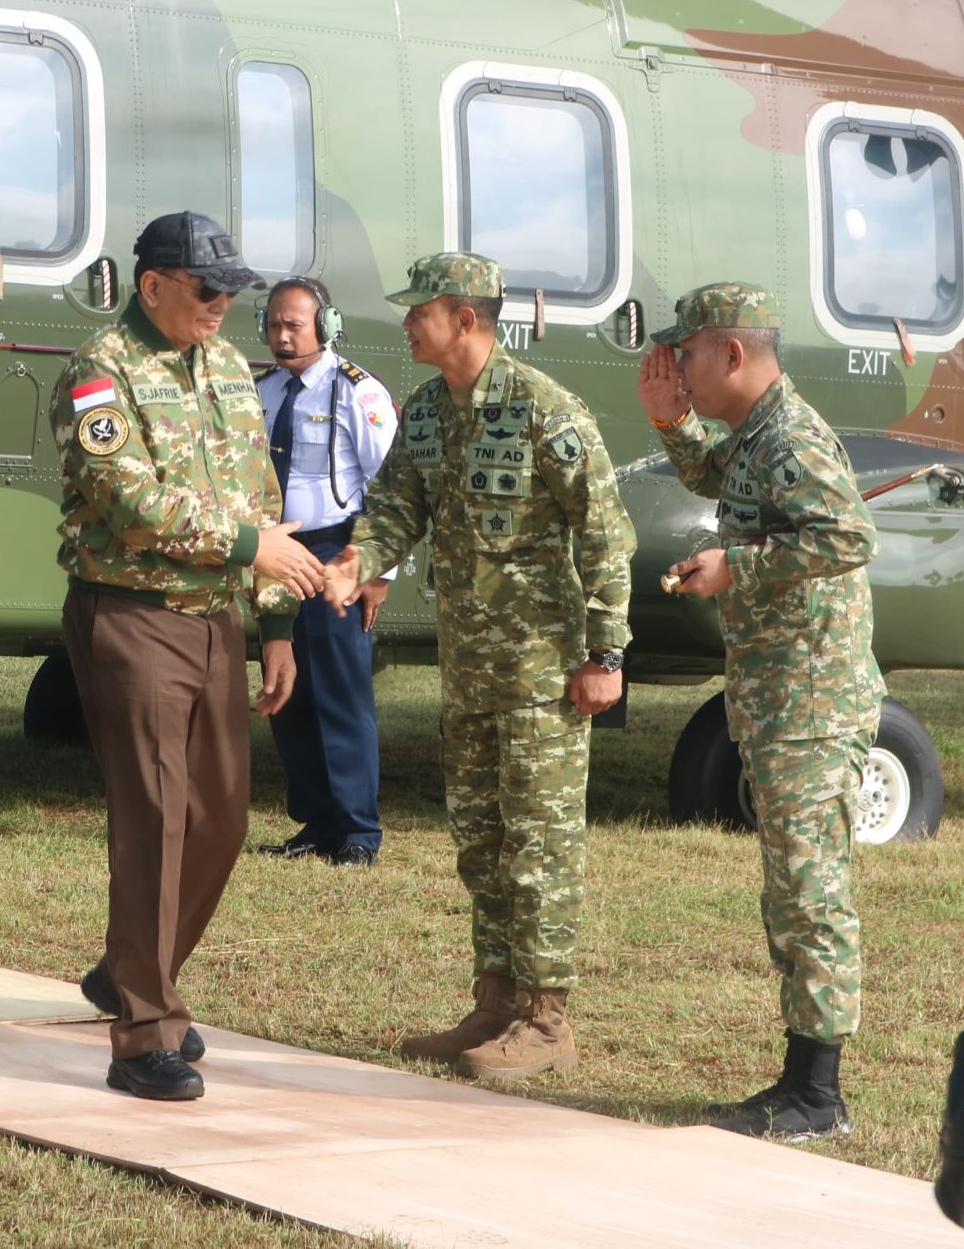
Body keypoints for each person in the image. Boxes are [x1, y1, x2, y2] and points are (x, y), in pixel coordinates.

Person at [322, 252, 634, 1081]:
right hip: (471, 673)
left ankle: (546, 1020)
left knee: (539, 846)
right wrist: (359, 563)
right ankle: (495, 1003)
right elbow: (394, 507)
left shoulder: (542, 408)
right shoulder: (426, 412)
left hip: (543, 674)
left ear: (466, 319)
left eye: (419, 311)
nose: (406, 324)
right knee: (484, 841)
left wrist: (606, 652)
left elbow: (605, 530)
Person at [53, 210, 326, 1102]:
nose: (223, 306)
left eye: (233, 291)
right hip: (132, 618)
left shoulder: (226, 372)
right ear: (153, 285)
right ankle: (143, 1033)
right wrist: (253, 548)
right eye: (209, 290)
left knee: (221, 820)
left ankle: (132, 969)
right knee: (156, 819)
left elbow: (263, 495)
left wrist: (275, 625)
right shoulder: (100, 373)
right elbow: (131, 503)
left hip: (216, 624)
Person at [637, 282, 881, 1140]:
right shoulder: (755, 434)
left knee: (812, 895)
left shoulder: (791, 435)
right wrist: (671, 418)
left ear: (732, 354)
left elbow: (850, 536)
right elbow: (714, 472)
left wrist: (738, 567)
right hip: (782, 700)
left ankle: (820, 1093)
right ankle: (800, 1081)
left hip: (813, 705)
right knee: (791, 892)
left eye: (689, 355)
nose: (681, 366)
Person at [254, 276, 397, 866]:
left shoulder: (356, 392)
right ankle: (315, 822)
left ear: (327, 326)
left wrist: (379, 572)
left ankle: (358, 833)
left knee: (340, 692)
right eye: (273, 325)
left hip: (338, 551)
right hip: (276, 551)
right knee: (287, 692)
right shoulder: (260, 391)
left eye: (294, 325)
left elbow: (391, 488)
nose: (283, 337)